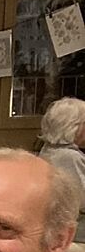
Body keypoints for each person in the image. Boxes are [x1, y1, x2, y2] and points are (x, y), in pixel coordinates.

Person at [37, 96, 85, 241]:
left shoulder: (49, 150)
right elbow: (80, 201)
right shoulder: (68, 157)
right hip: (71, 227)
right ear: (73, 126)